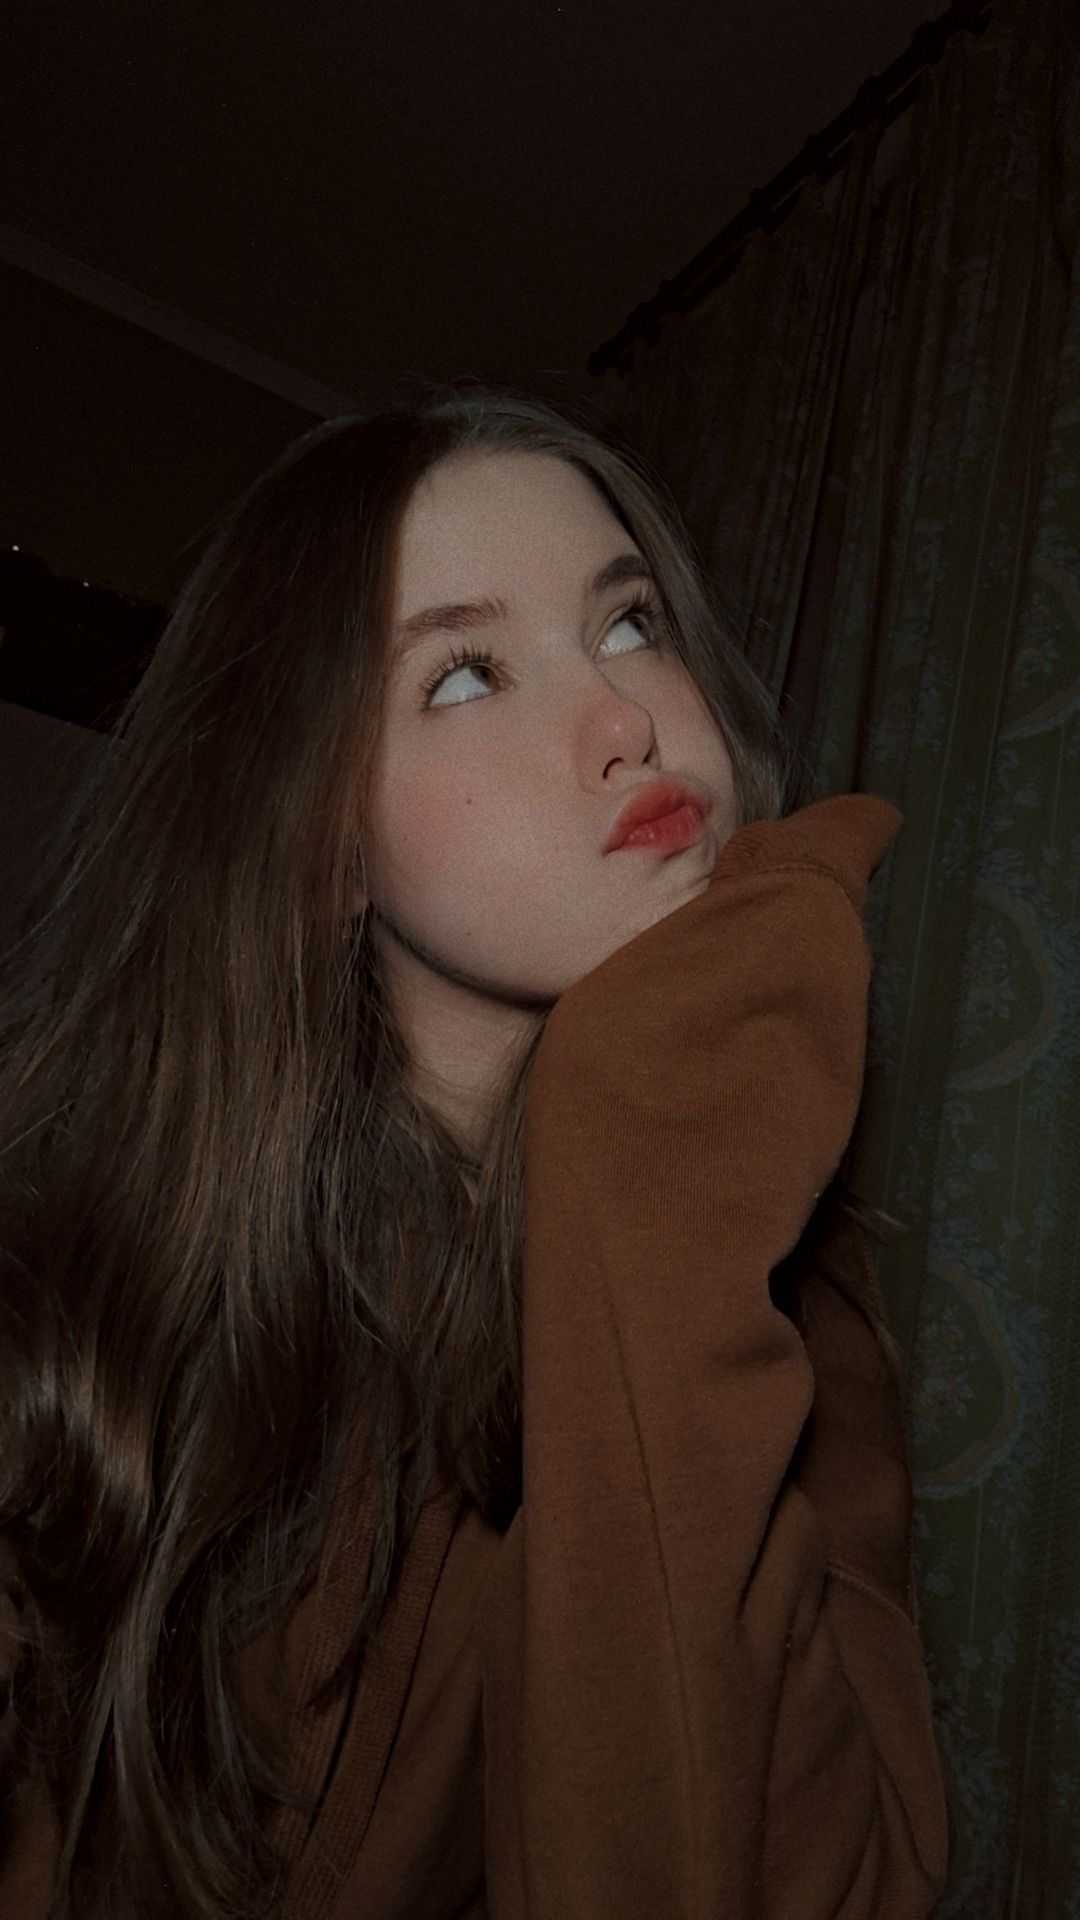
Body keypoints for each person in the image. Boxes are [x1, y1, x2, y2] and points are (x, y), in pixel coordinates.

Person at [0, 384, 949, 1917]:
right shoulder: (67, 1318)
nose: (626, 718)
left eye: (630, 623)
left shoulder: (789, 1315)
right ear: (317, 844)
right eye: (461, 675)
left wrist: (662, 1166)